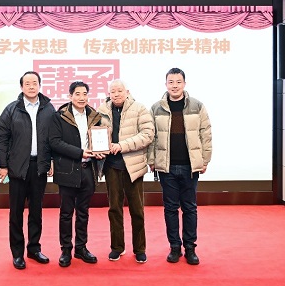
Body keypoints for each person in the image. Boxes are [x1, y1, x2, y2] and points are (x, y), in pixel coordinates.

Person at [148, 67, 212, 265]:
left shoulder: (197, 106)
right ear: (165, 84)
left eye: (178, 82)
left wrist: (205, 160)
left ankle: (190, 248)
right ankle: (174, 247)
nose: (174, 86)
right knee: (170, 209)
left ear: (184, 84)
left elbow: (206, 134)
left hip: (190, 166)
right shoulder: (156, 108)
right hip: (166, 167)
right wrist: (152, 160)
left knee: (190, 208)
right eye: (171, 82)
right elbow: (151, 137)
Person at [0, 71, 56, 270]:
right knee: (16, 212)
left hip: (39, 166)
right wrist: (3, 165)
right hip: (17, 168)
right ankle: (17, 253)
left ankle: (34, 249)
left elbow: (54, 138)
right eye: (27, 83)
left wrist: (51, 160)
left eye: (34, 83)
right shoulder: (11, 109)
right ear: (21, 87)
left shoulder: (48, 108)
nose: (31, 86)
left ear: (40, 85)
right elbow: (1, 137)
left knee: (36, 211)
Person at [97, 79, 154, 263]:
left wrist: (122, 145)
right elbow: (94, 134)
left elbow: (148, 135)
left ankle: (140, 248)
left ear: (127, 92)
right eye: (113, 91)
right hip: (111, 167)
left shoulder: (139, 109)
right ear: (109, 93)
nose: (116, 94)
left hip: (133, 167)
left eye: (119, 91)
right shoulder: (101, 111)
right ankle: (117, 247)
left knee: (137, 210)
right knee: (114, 209)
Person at [48, 80, 105, 268]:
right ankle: (66, 249)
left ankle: (81, 247)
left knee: (83, 212)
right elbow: (55, 142)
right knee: (66, 213)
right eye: (77, 94)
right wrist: (80, 153)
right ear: (70, 96)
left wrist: (100, 151)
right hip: (68, 169)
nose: (82, 98)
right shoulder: (60, 116)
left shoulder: (94, 116)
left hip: (88, 170)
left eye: (85, 94)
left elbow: (99, 140)